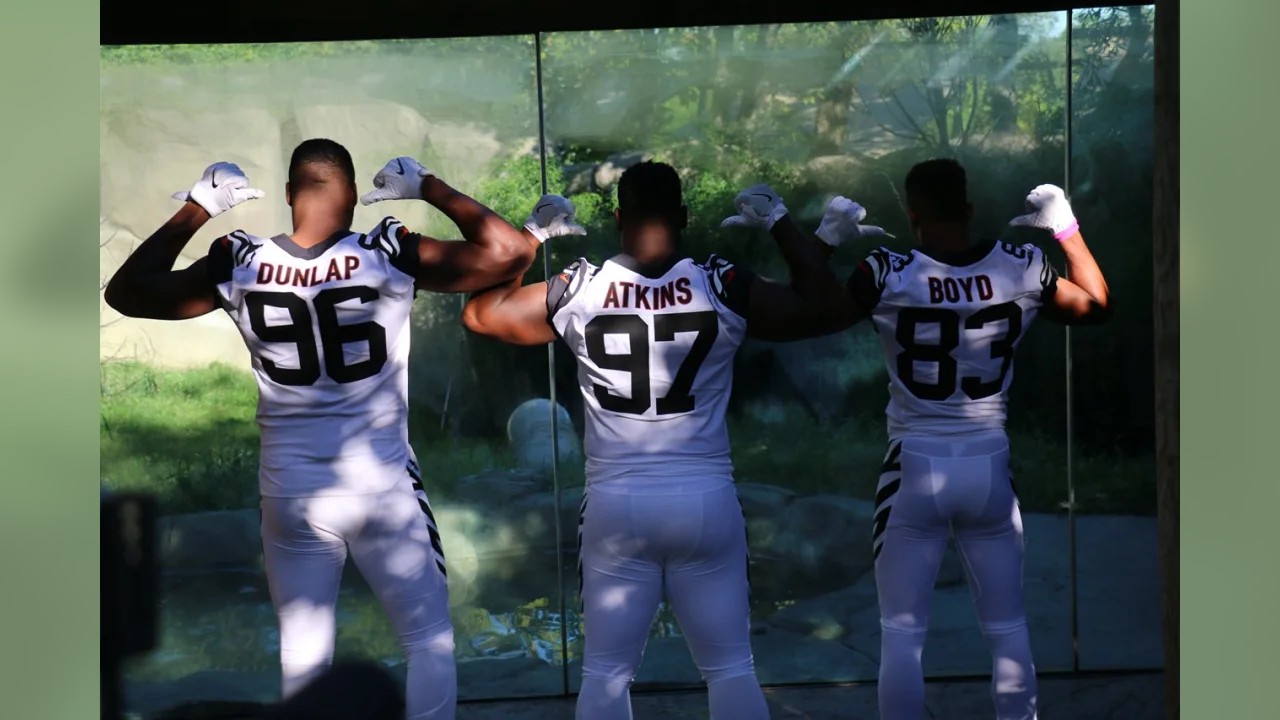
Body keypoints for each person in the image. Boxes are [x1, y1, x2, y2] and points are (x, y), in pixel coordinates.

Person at [103, 138, 537, 720]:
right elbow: (510, 253)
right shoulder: (387, 252)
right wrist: (428, 187)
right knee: (427, 640)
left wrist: (199, 208)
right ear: (353, 196)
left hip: (291, 493)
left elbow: (126, 293)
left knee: (304, 657)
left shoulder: (240, 261)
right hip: (381, 486)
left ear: (288, 195)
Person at [459, 161, 848, 720]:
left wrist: (532, 236)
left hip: (616, 503)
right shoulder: (721, 283)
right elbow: (822, 304)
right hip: (705, 497)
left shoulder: (581, 287)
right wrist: (782, 223)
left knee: (605, 675)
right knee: (731, 669)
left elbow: (482, 315)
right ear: (683, 217)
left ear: (618, 217)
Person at [813, 158, 1111, 720]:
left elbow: (811, 311)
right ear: (969, 209)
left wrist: (824, 242)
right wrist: (1065, 229)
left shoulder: (887, 270)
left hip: (914, 466)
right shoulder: (1021, 265)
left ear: (912, 214)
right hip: (989, 464)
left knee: (902, 636)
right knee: (1008, 627)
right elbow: (1097, 304)